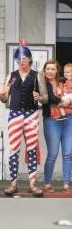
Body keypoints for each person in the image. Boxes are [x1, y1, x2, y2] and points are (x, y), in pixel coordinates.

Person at [0, 40, 48, 196]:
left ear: (30, 59)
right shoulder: (12, 76)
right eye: (18, 60)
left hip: (31, 115)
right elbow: (4, 97)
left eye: (24, 59)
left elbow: (46, 97)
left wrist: (40, 97)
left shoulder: (36, 76)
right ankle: (13, 183)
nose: (21, 62)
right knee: (13, 149)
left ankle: (32, 184)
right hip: (14, 114)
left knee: (32, 149)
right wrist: (2, 96)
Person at [42, 60, 72, 193]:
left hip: (68, 120)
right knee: (53, 153)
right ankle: (47, 183)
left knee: (67, 153)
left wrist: (68, 102)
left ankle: (66, 184)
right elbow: (48, 98)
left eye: (52, 69)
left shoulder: (63, 83)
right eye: (47, 69)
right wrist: (63, 101)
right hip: (52, 120)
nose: (50, 71)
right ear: (45, 70)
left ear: (57, 71)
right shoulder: (43, 83)